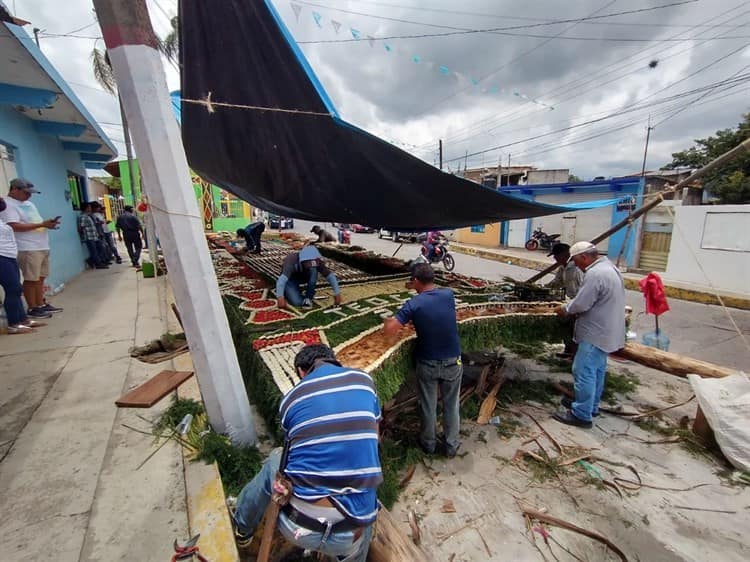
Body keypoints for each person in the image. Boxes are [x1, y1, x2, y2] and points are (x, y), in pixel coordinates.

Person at [232, 344, 382, 562]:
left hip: (298, 525)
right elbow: (375, 438)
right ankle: (348, 556)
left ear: (302, 371)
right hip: (349, 533)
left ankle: (243, 528)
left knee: (276, 457)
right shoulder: (364, 381)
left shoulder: (291, 399)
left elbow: (293, 451)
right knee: (365, 502)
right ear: (333, 360)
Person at [383, 262, 462, 457]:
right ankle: (452, 446)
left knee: (429, 405)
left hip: (428, 363)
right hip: (453, 361)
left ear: (416, 280)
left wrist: (386, 323)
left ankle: (429, 445)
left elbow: (391, 329)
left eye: (412, 280)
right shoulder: (448, 295)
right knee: (451, 405)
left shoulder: (414, 304)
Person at [553, 241, 625, 428]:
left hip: (595, 332)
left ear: (584, 257)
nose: (575, 265)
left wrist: (564, 309)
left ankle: (581, 414)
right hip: (607, 331)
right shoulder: (610, 269)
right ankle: (590, 406)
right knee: (597, 370)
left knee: (583, 371)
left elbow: (581, 303)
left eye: (576, 260)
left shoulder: (595, 274)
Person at [0, 178, 62, 319]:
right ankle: (33, 307)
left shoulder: (28, 204)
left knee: (41, 277)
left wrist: (47, 224)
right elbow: (14, 226)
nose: (29, 195)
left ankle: (41, 304)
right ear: (14, 189)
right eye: (26, 192)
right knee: (31, 279)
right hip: (27, 247)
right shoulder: (7, 205)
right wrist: (41, 224)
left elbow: (36, 222)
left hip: (41, 245)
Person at [0, 196, 46, 333]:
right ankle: (14, 324)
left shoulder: (1, 221)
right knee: (13, 289)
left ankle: (23, 319)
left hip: (9, 256)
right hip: (1, 257)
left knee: (17, 288)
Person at [546, 243, 584, 357]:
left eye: (556, 256)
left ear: (564, 255)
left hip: (578, 302)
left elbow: (583, 289)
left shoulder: (576, 269)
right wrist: (543, 288)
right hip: (571, 301)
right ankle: (568, 350)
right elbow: (556, 282)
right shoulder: (563, 267)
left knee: (575, 330)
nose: (555, 259)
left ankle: (575, 355)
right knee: (567, 327)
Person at [276, 245, 342, 309]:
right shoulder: (291, 260)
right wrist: (280, 297)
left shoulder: (318, 261)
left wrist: (337, 293)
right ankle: (287, 290)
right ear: (302, 261)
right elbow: (282, 280)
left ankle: (308, 297)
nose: (311, 267)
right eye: (308, 265)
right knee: (297, 302)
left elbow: (330, 276)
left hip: (305, 277)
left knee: (314, 271)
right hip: (291, 279)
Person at [78, 202, 108, 269]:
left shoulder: (88, 216)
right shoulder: (83, 217)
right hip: (89, 237)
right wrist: (82, 236)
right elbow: (81, 227)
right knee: (94, 251)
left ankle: (91, 260)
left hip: (94, 236)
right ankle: (98, 264)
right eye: (89, 207)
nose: (90, 208)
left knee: (101, 248)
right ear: (86, 208)